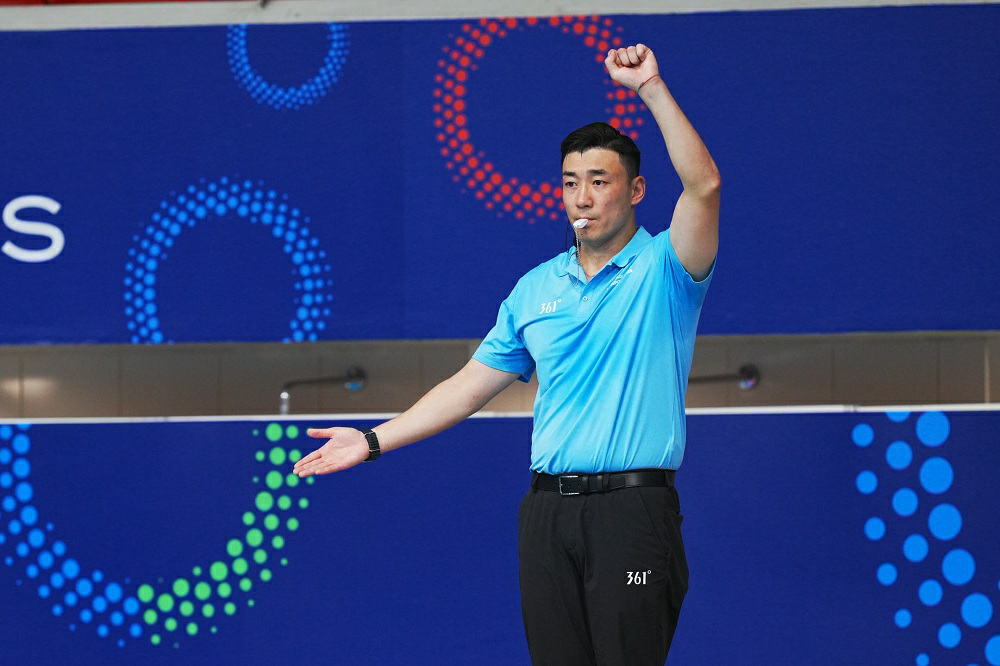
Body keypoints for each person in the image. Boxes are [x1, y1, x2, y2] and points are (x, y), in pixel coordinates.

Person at [293, 43, 720, 665]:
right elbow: (467, 386)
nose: (582, 197)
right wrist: (372, 439)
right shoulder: (534, 288)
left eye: (599, 181)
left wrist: (650, 87)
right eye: (570, 183)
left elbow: (704, 185)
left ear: (636, 190)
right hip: (546, 515)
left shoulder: (667, 268)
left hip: (633, 514)